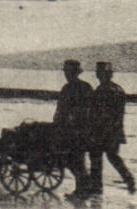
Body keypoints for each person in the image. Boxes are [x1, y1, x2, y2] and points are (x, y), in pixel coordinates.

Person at [84, 61, 135, 195]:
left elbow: (98, 113)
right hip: (115, 130)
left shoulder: (103, 91)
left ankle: (97, 186)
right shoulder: (118, 89)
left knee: (96, 156)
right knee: (112, 156)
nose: (99, 75)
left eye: (100, 73)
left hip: (103, 131)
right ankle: (129, 179)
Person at [53, 59, 92, 198]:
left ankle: (83, 189)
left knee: (73, 159)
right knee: (77, 159)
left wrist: (61, 121)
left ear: (73, 73)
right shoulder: (85, 86)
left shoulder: (69, 88)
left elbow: (62, 110)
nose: (66, 74)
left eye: (68, 72)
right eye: (66, 72)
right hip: (80, 129)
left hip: (73, 130)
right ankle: (83, 188)